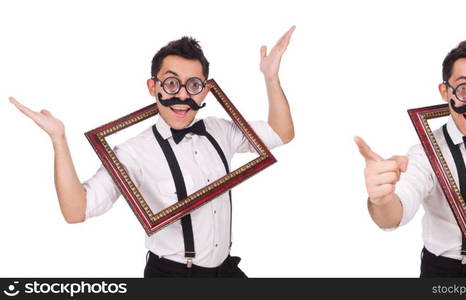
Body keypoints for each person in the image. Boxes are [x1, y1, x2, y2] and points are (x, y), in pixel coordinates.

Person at [9, 26, 296, 278]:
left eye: (193, 85)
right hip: (173, 276)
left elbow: (280, 133)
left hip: (225, 270)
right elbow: (76, 211)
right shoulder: (132, 153)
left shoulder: (219, 130)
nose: (182, 95)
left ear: (205, 91)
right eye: (171, 83)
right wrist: (58, 139)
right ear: (153, 87)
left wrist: (271, 77)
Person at [355, 37, 466, 277]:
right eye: (464, 88)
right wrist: (381, 201)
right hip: (449, 273)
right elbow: (393, 215)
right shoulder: (425, 153)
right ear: (445, 91)